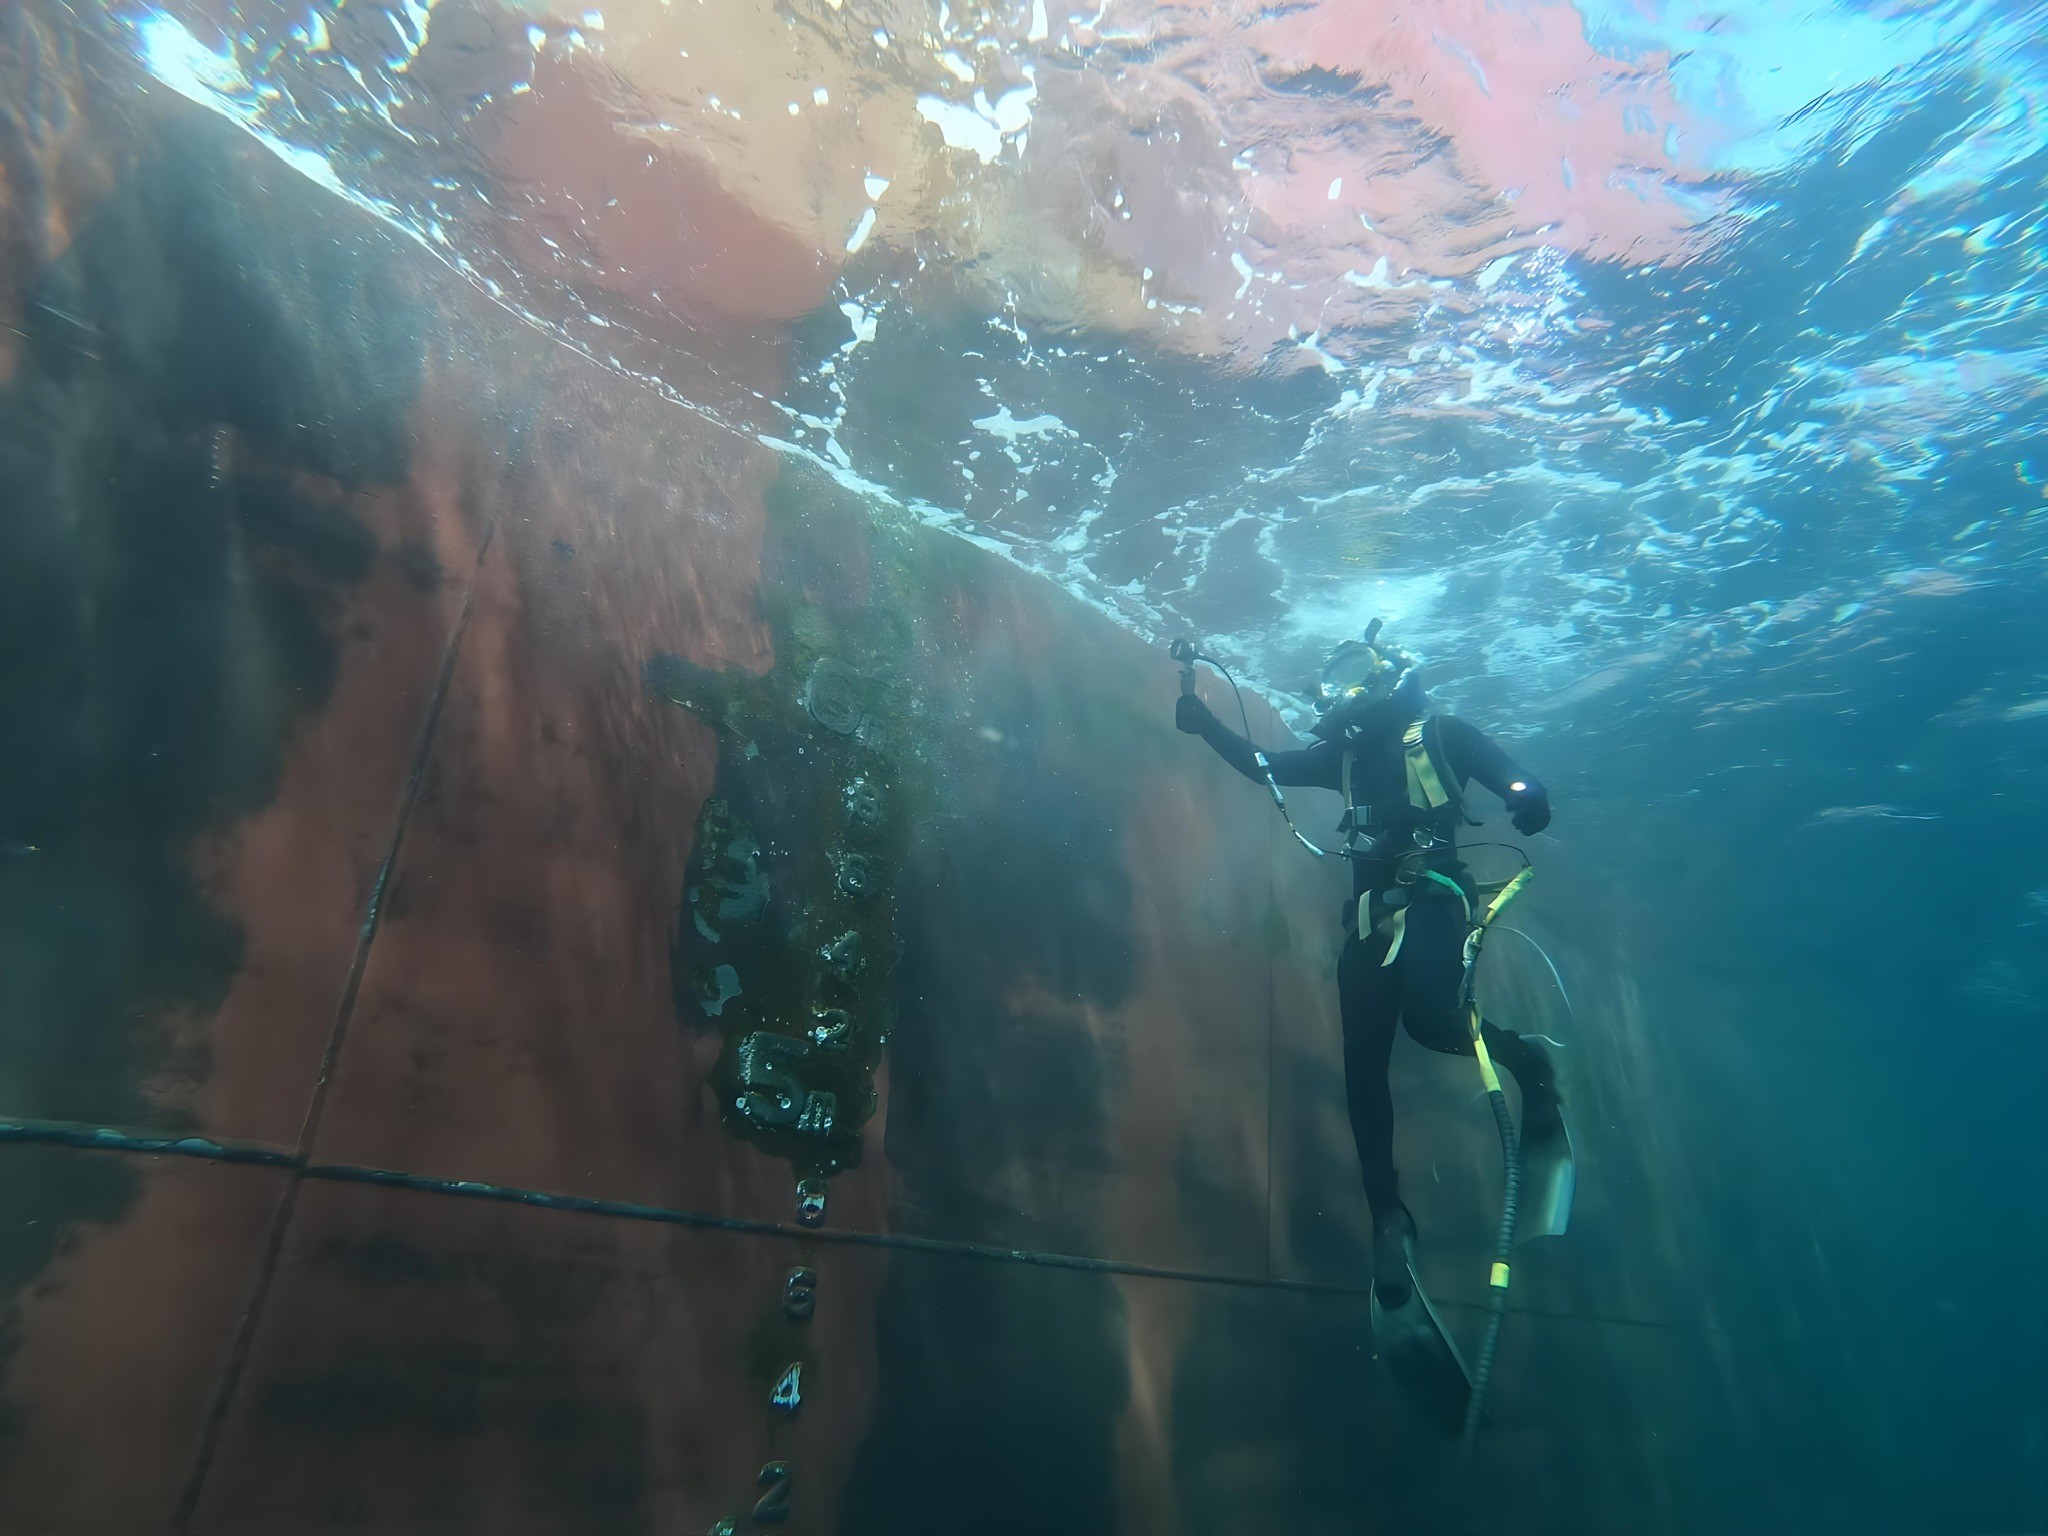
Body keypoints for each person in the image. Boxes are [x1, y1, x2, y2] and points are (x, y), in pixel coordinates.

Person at [1175, 626, 1565, 1308]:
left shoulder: (1441, 734)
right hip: (1365, 920)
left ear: (1388, 673)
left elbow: (1511, 774)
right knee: (1362, 1068)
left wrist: (1525, 794)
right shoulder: (1342, 758)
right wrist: (1204, 722)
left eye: (1353, 672)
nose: (1342, 691)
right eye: (1333, 681)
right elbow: (1264, 761)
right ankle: (1388, 1217)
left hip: (1434, 898)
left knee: (1433, 1022)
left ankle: (1527, 1062)